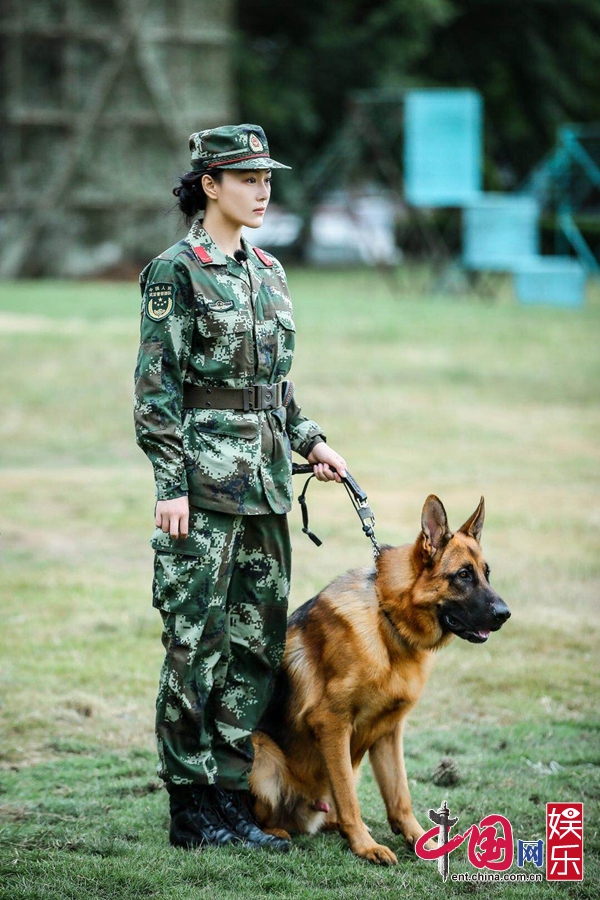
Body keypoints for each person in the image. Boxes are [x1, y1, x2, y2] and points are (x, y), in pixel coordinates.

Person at [134, 124, 346, 852]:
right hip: (202, 489)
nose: (262, 189)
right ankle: (192, 807)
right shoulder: (175, 273)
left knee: (254, 646)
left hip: (264, 491)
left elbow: (275, 388)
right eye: (246, 177)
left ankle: (230, 794)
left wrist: (311, 440)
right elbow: (155, 394)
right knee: (196, 643)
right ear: (209, 186)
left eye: (267, 177)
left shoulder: (269, 272)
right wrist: (172, 484)